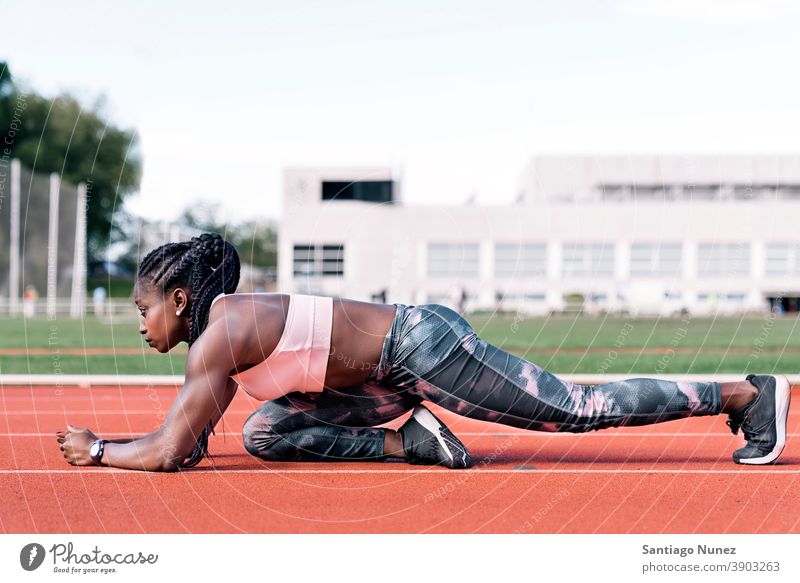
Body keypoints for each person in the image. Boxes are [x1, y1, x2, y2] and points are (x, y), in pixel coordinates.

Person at [57, 233, 792, 471]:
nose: (139, 324)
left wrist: (97, 450)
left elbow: (164, 452)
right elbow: (188, 447)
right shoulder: (218, 340)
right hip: (380, 379)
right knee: (265, 431)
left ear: (179, 302)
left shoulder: (219, 335)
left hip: (421, 344)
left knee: (572, 409)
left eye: (142, 309)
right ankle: (410, 437)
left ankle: (744, 395)